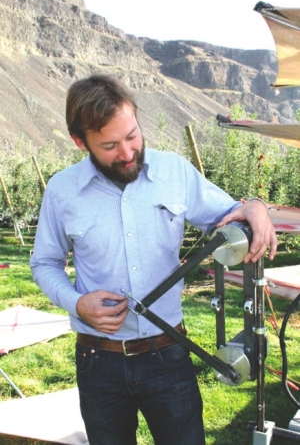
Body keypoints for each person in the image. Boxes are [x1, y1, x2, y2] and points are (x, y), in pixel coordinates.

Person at [30, 74, 277, 445]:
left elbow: (229, 214)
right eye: (110, 145)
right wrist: (76, 303)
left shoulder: (174, 172)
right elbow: (43, 263)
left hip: (169, 355)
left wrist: (255, 207)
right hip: (98, 361)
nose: (127, 153)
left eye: (132, 135)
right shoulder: (62, 191)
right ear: (80, 142)